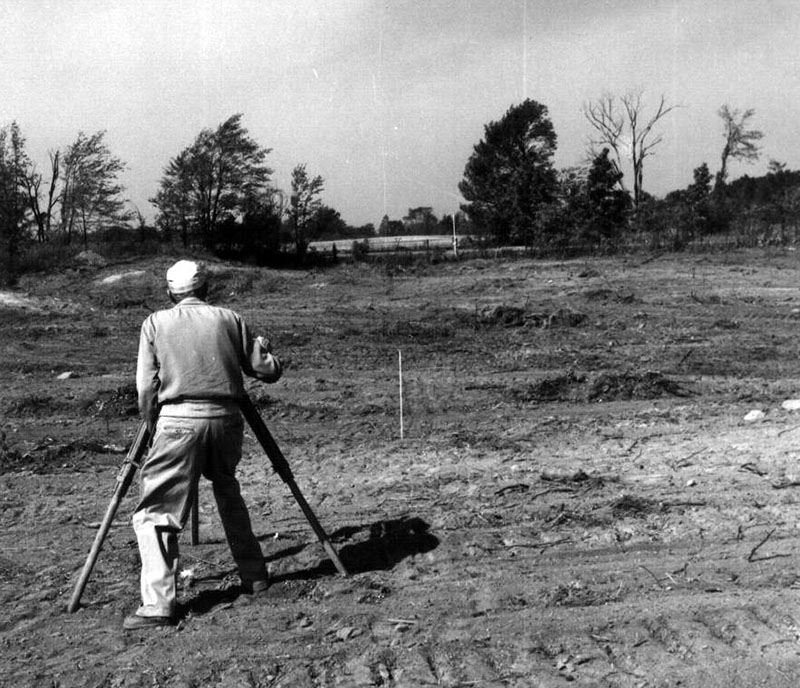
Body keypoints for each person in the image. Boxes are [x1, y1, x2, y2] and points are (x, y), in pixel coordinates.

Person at [124, 259, 282, 631]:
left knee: (156, 513)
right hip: (227, 422)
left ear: (170, 292)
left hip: (177, 423)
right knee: (227, 490)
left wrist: (151, 425)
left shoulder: (155, 323)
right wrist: (265, 350)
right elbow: (267, 371)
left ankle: (159, 604)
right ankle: (255, 575)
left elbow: (146, 388)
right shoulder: (231, 318)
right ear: (205, 289)